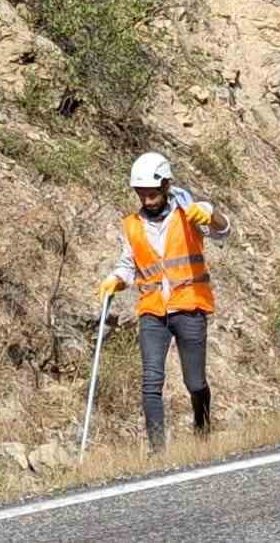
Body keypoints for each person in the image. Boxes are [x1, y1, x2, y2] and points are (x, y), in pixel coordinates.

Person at [97, 152, 232, 452]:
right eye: (141, 194)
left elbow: (223, 232)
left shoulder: (190, 213)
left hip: (190, 306)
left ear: (167, 185)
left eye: (152, 193)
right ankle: (158, 453)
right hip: (152, 311)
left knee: (195, 383)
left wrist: (209, 213)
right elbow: (128, 264)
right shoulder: (131, 225)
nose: (146, 200)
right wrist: (116, 280)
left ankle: (202, 425)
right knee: (151, 382)